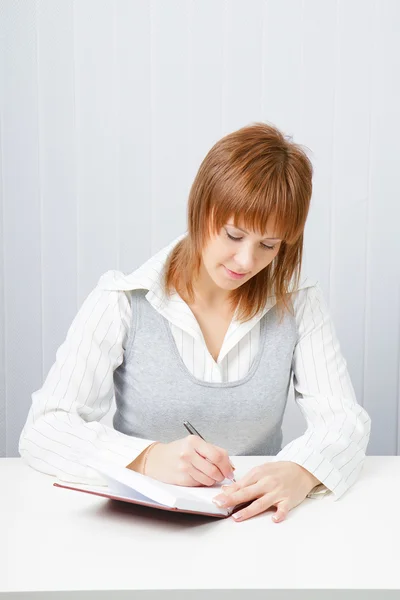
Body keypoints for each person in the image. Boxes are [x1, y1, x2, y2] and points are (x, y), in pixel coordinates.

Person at [19, 122, 371, 523]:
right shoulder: (123, 300)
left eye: (268, 246)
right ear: (201, 209)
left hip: (254, 526)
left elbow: (344, 421)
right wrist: (147, 458)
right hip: (141, 528)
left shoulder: (298, 302)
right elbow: (44, 429)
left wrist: (302, 471)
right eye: (234, 235)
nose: (246, 262)